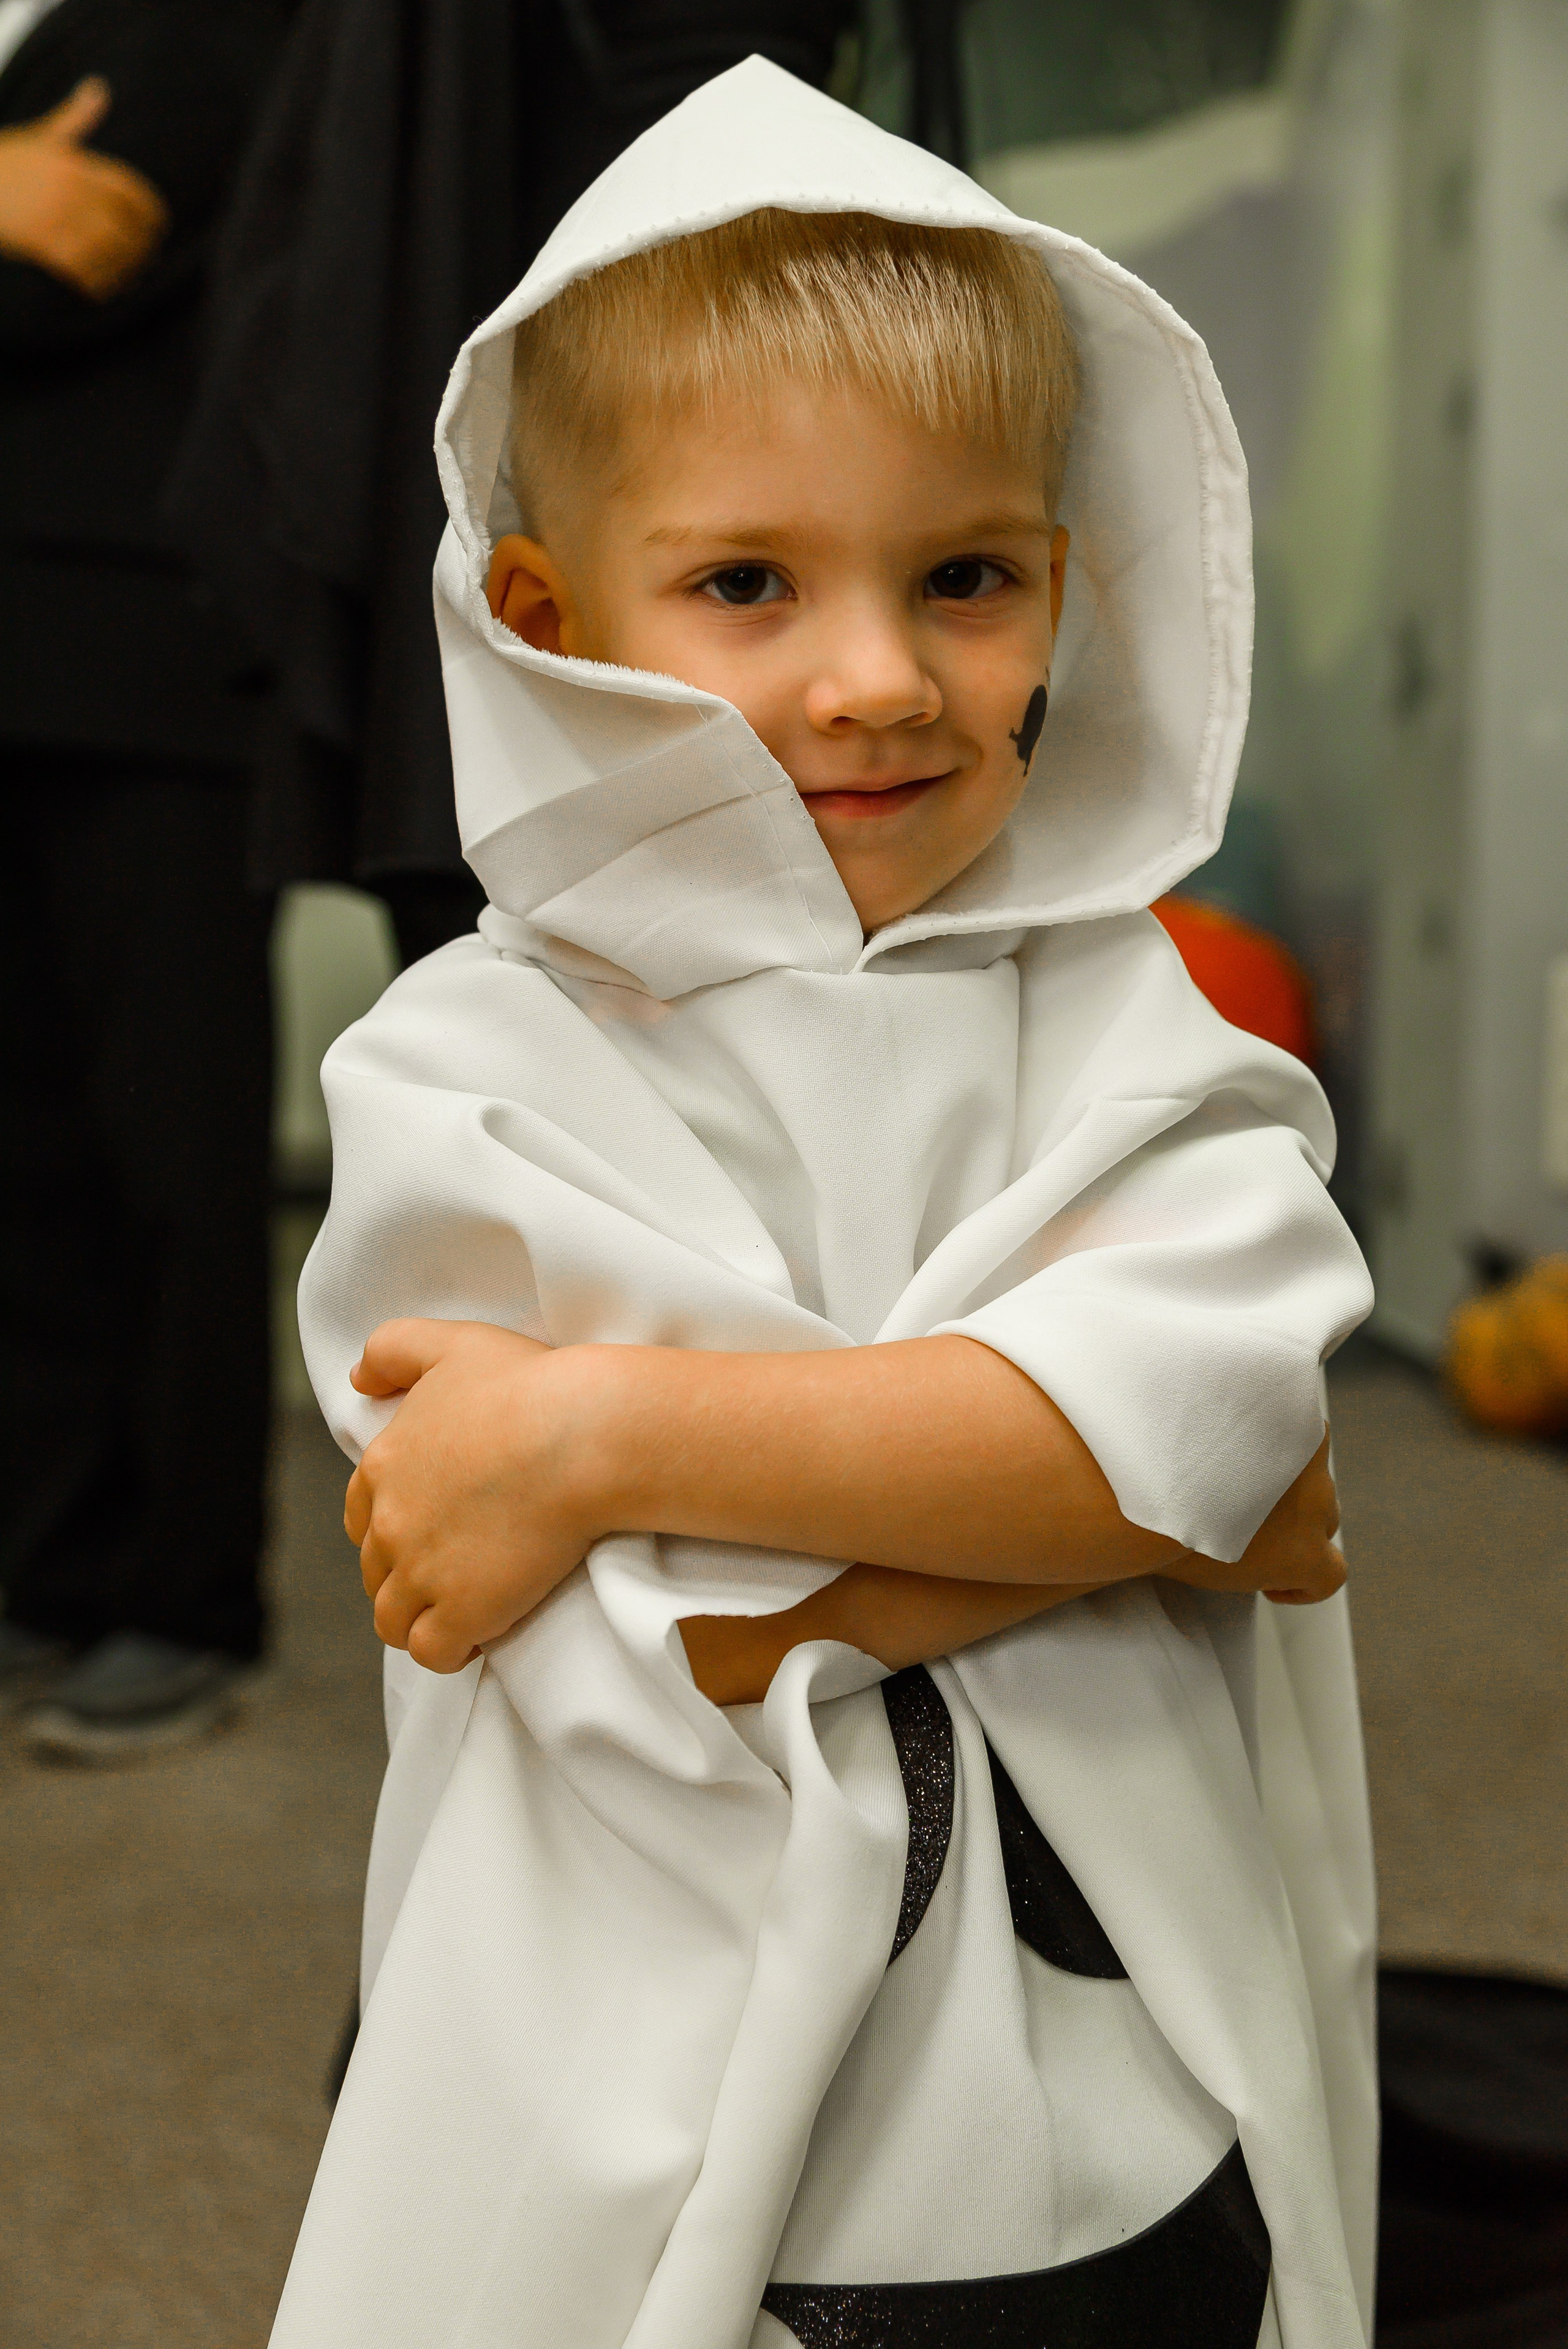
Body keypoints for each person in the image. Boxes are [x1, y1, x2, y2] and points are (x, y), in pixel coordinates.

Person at [274, 61, 1376, 2349]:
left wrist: (605, 1438)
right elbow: (643, 1643)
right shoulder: (469, 1064)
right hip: (653, 2073)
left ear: (1063, 589)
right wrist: (1118, 1507)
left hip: (1102, 2094)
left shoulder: (1136, 1022)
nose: (875, 681)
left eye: (965, 576)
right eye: (749, 583)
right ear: (553, 613)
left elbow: (1203, 1432)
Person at [0, 0, 284, 1759]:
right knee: (22, 1150)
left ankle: (181, 1597)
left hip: (151, 655)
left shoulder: (204, 15)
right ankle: (50, 1566)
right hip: (26, 646)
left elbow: (60, 261)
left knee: (163, 1142)